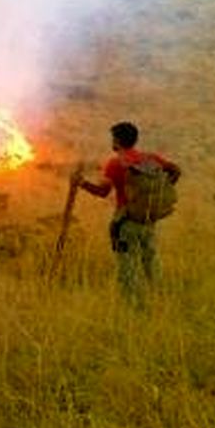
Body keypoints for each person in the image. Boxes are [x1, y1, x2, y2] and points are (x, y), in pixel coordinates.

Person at [72, 121, 182, 303]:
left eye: (113, 138)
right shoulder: (150, 158)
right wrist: (161, 190)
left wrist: (81, 183)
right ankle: (162, 299)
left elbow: (102, 192)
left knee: (127, 267)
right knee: (151, 260)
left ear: (117, 140)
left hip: (126, 222)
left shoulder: (115, 163)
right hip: (148, 219)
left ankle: (134, 308)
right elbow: (176, 170)